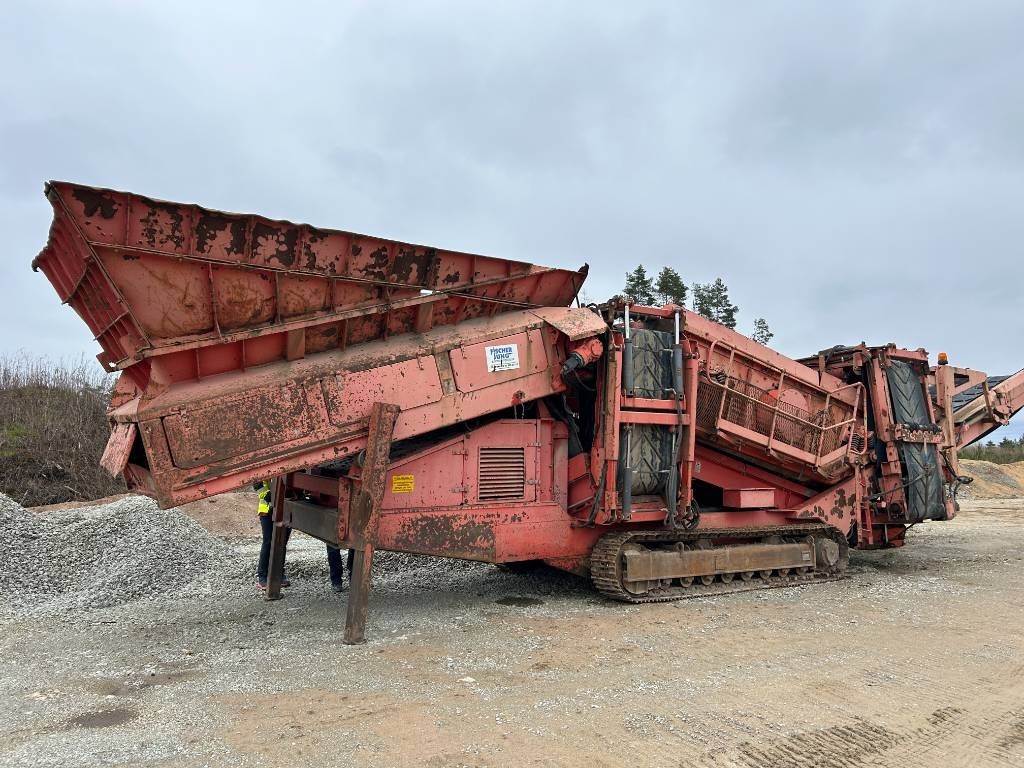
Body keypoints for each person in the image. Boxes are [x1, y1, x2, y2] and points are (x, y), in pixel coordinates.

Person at [255, 480, 290, 591]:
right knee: (268, 542)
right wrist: (268, 495)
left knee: (282, 542)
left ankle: (279, 573)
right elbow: (257, 482)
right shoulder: (266, 470)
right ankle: (263, 576)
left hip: (284, 508)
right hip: (267, 509)